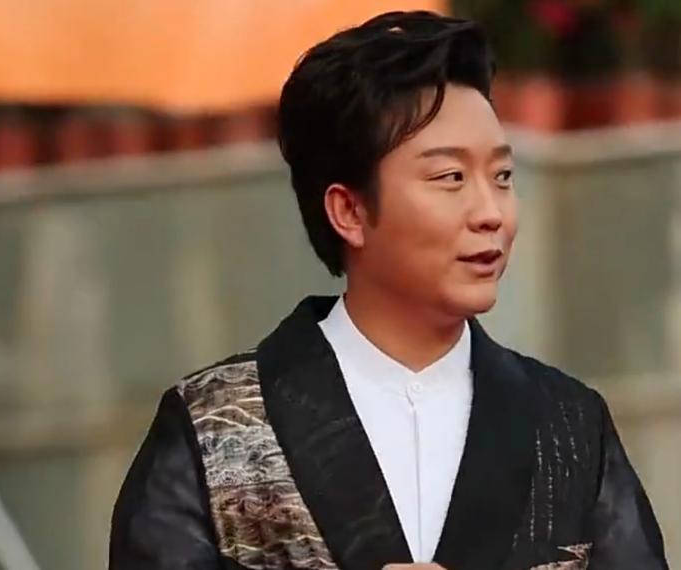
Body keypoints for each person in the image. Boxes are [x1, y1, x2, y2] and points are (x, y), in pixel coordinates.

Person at [109, 10, 668, 570]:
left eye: (502, 177)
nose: (491, 213)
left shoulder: (569, 425)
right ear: (349, 211)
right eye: (450, 178)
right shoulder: (213, 426)